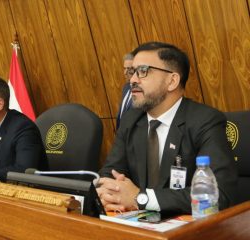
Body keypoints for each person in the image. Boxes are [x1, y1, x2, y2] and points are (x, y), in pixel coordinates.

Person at [97, 42, 238, 214]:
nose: (133, 79)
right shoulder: (131, 119)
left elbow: (219, 194)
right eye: (132, 72)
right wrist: (108, 194)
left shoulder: (206, 121)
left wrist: (141, 198)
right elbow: (110, 172)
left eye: (143, 71)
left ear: (172, 81)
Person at [116, 53, 134, 129]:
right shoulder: (126, 88)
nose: (125, 73)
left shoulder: (144, 90)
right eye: (124, 68)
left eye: (129, 69)